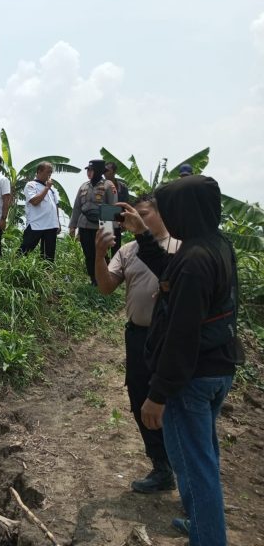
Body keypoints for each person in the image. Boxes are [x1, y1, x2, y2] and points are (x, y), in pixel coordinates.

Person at [120, 175, 240, 544]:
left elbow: (180, 335)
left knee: (194, 463)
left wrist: (158, 394)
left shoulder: (193, 261)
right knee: (201, 455)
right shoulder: (214, 245)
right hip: (218, 366)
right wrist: (142, 235)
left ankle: (207, 537)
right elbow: (169, 272)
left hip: (192, 377)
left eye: (168, 209)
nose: (165, 217)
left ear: (183, 212)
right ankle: (202, 522)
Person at [94, 193, 180, 493]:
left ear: (161, 214)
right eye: (130, 215)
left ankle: (181, 463)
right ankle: (161, 466)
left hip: (170, 338)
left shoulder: (179, 248)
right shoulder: (128, 250)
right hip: (138, 335)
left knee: (170, 401)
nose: (134, 220)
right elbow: (106, 287)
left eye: (142, 213)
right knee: (139, 398)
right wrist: (99, 254)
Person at [69, 159, 116, 285]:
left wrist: (110, 230)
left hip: (101, 226)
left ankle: (105, 279)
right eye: (88, 170)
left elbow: (112, 206)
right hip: (84, 224)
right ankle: (93, 279)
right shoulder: (83, 186)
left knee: (100, 253)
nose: (89, 173)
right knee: (88, 254)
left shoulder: (108, 185)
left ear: (99, 171)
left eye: (91, 170)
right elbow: (77, 207)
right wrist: (72, 226)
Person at [19, 161, 61, 261]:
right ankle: (13, 271)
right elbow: (35, 201)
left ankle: (47, 275)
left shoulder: (52, 190)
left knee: (48, 256)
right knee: (25, 250)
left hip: (51, 225)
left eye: (51, 172)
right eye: (48, 172)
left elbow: (55, 206)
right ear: (39, 171)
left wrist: (58, 222)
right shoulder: (31, 185)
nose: (49, 175)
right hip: (36, 224)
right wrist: (46, 188)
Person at [104, 161, 130, 257]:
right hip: (105, 221)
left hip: (118, 222)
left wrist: (124, 221)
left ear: (114, 172)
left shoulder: (122, 187)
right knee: (104, 249)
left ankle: (115, 270)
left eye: (107, 170)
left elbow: (126, 205)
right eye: (104, 170)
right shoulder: (100, 185)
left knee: (116, 249)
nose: (105, 172)